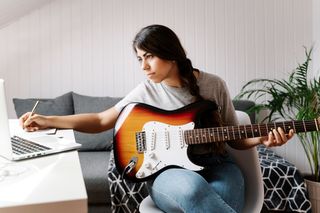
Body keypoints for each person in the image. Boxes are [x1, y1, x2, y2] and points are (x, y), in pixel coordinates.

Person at [20, 24, 294, 213]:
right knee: (194, 191)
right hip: (168, 173)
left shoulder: (214, 85)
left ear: (170, 53)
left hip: (218, 164)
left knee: (224, 197)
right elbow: (102, 120)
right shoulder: (146, 91)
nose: (144, 66)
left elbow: (234, 137)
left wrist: (261, 139)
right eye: (140, 58)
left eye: (149, 56)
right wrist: (49, 120)